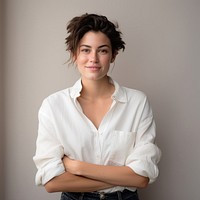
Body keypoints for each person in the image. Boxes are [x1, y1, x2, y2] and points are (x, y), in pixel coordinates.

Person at [33, 13, 161, 200]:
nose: (93, 58)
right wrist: (124, 177)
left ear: (113, 55)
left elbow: (141, 178)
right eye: (85, 50)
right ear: (74, 54)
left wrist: (78, 168)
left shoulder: (137, 103)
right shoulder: (53, 106)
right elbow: (52, 182)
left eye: (102, 50)